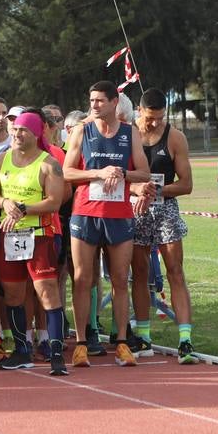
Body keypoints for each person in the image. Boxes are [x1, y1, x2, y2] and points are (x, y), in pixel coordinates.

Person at [63, 82, 152, 369]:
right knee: (82, 278)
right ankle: (81, 343)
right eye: (92, 100)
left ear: (115, 102)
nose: (94, 105)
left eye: (100, 100)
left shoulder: (130, 133)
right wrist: (98, 173)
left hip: (118, 215)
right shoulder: (82, 131)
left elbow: (144, 172)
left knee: (120, 279)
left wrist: (122, 172)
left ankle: (122, 342)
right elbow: (67, 172)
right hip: (85, 214)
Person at [0, 112, 69, 376]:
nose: (17, 134)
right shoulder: (2, 159)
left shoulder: (49, 164)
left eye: (23, 130)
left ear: (36, 134)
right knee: (12, 294)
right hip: (9, 236)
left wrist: (24, 208)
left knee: (47, 292)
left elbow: (54, 202)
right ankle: (22, 350)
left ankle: (56, 353)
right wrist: (4, 202)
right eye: (15, 130)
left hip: (39, 235)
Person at [131, 89, 196, 364]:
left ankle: (185, 340)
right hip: (135, 208)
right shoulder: (127, 134)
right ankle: (143, 336)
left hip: (165, 208)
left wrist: (157, 190)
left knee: (175, 271)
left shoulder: (175, 137)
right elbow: (117, 176)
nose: (155, 123)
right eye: (150, 118)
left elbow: (187, 184)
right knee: (139, 272)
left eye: (160, 117)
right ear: (139, 111)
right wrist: (137, 189)